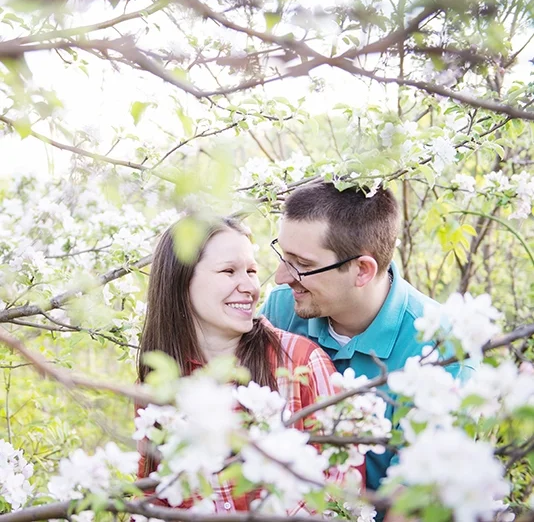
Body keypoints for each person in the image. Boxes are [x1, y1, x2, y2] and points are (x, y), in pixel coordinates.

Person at [136, 217, 363, 513]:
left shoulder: (300, 362)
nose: (249, 287)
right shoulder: (158, 384)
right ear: (180, 280)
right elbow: (153, 497)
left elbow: (342, 489)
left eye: (252, 271)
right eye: (228, 271)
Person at [260, 181, 473, 495]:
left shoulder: (443, 348)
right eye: (283, 255)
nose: (281, 277)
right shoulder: (282, 309)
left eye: (302, 265)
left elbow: (413, 503)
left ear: (362, 270)